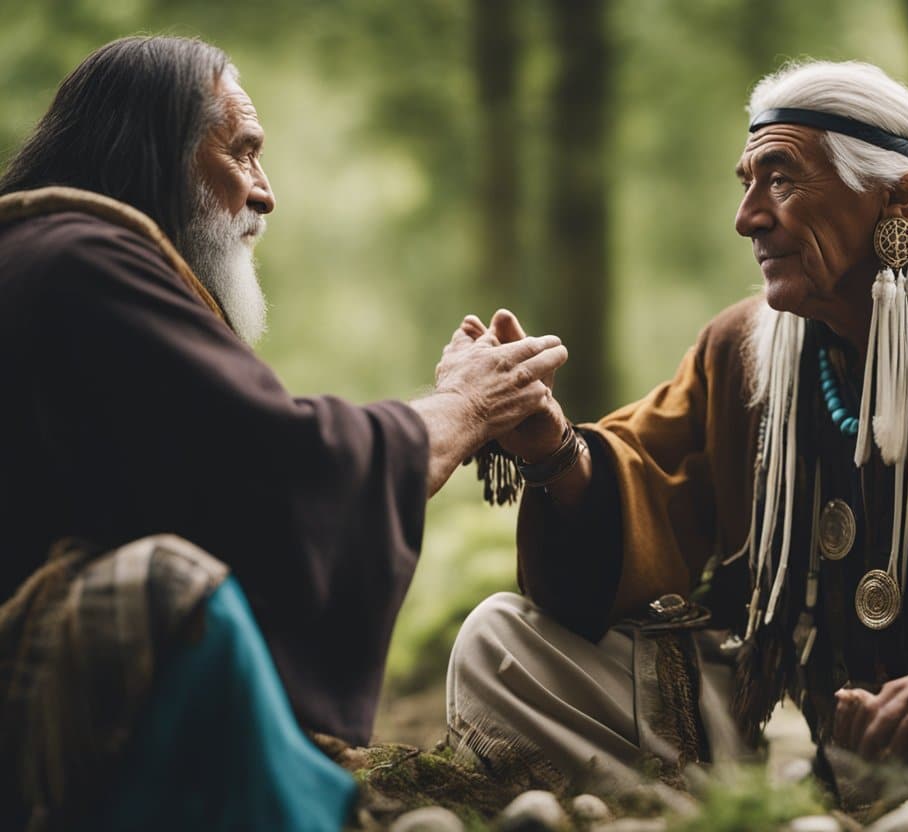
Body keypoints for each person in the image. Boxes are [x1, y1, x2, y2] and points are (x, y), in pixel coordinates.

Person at [446, 60, 908, 828]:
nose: (747, 217)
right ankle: (754, 813)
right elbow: (644, 488)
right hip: (833, 755)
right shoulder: (742, 346)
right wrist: (549, 448)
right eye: (746, 182)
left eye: (779, 179)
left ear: (898, 197)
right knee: (502, 643)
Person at [0, 36, 567, 830]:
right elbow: (275, 475)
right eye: (242, 153)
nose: (265, 194)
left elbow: (217, 480)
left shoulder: (42, 262)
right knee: (159, 589)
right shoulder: (76, 260)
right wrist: (466, 408)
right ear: (156, 151)